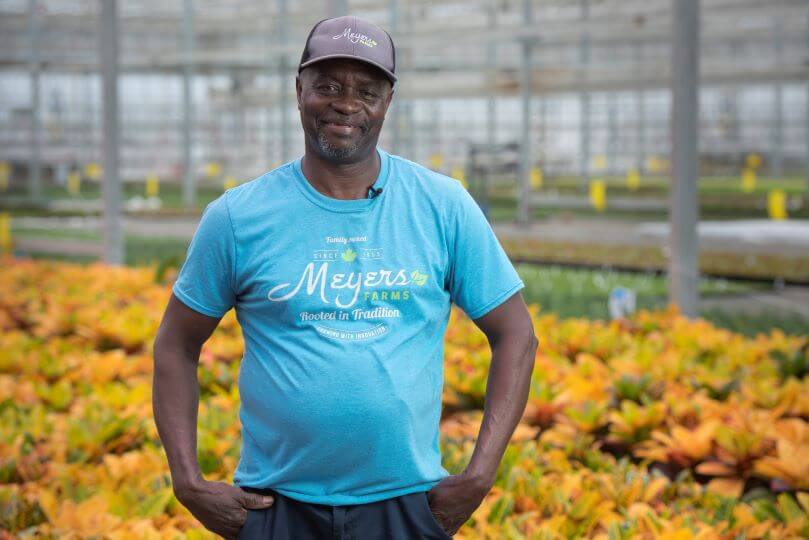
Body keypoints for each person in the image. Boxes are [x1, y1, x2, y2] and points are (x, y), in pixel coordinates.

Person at [152, 14, 538, 540]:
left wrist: (479, 475)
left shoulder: (443, 206)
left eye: (367, 90)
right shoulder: (238, 217)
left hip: (406, 508)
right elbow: (176, 344)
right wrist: (188, 482)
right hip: (275, 509)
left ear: (387, 101)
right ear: (298, 90)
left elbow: (515, 333)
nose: (346, 103)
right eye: (328, 85)